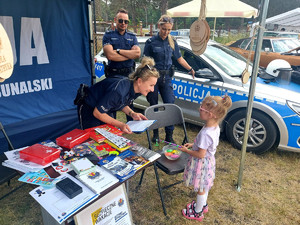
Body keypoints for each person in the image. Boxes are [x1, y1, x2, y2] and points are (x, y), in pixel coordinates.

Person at [144, 14, 195, 143]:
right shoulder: (151, 42)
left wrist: (190, 69)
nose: (166, 32)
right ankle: (155, 133)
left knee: (170, 105)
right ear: (159, 26)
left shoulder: (172, 41)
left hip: (166, 78)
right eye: (164, 29)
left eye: (169, 29)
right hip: (153, 78)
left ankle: (169, 135)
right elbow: (145, 62)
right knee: (154, 106)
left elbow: (179, 58)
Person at [180, 95, 232, 221]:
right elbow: (206, 147)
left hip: (201, 163)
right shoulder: (214, 127)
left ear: (212, 114)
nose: (199, 109)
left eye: (202, 108)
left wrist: (188, 151)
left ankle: (197, 212)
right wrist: (194, 144)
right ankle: (202, 205)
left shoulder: (205, 133)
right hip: (209, 162)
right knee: (205, 186)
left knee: (201, 189)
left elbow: (201, 154)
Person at [77, 57, 159, 133]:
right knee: (92, 139)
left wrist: (132, 113)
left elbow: (121, 103)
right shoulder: (120, 90)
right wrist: (120, 124)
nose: (153, 90)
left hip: (105, 109)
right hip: (89, 107)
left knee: (108, 136)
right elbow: (97, 113)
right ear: (140, 81)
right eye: (151, 85)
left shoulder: (136, 89)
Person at [102, 8, 140, 78]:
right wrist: (129, 55)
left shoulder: (132, 36)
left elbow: (137, 54)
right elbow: (110, 56)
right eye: (120, 20)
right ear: (115, 20)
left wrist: (118, 51)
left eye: (126, 21)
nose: (123, 23)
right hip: (114, 74)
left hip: (129, 74)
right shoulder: (108, 36)